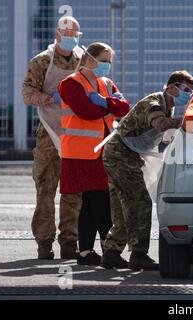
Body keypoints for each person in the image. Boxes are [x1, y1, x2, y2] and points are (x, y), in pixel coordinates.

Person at [100, 71, 193, 271]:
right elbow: (160, 124)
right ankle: (139, 254)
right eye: (186, 89)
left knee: (122, 205)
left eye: (191, 91)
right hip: (120, 154)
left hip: (125, 155)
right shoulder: (154, 103)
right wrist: (188, 121)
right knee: (140, 201)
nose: (188, 94)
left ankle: (111, 253)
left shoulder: (167, 107)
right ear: (171, 88)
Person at [58, 42, 130, 265]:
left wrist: (105, 102)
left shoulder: (105, 83)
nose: (107, 65)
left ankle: (86, 253)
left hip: (102, 150)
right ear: (89, 58)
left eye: (109, 61)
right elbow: (86, 112)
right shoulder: (71, 84)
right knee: (100, 202)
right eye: (104, 60)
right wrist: (110, 106)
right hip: (81, 152)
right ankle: (110, 252)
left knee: (91, 203)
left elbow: (125, 107)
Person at [22, 16, 84, 260]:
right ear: (57, 35)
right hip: (49, 132)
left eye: (75, 35)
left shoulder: (83, 60)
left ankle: (69, 242)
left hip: (76, 133)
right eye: (67, 34)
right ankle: (44, 243)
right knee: (46, 189)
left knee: (73, 191)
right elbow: (27, 92)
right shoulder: (42, 61)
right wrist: (49, 98)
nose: (71, 39)